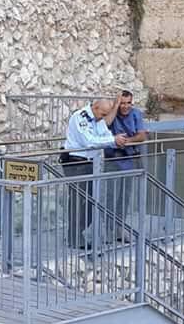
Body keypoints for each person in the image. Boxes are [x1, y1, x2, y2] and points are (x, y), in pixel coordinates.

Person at [61, 99, 127, 249]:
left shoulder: (98, 118)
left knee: (91, 203)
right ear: (95, 107)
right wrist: (113, 140)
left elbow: (104, 133)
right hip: (76, 163)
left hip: (91, 163)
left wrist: (115, 140)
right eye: (102, 114)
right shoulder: (80, 117)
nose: (103, 118)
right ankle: (74, 237)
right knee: (78, 202)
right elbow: (88, 141)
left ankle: (78, 233)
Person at [103, 91, 147, 241]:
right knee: (110, 196)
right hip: (112, 159)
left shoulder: (136, 114)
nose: (125, 106)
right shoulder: (112, 113)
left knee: (124, 196)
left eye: (128, 103)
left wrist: (126, 142)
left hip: (129, 159)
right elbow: (106, 124)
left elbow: (141, 136)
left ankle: (119, 228)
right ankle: (108, 229)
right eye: (123, 103)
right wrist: (115, 107)